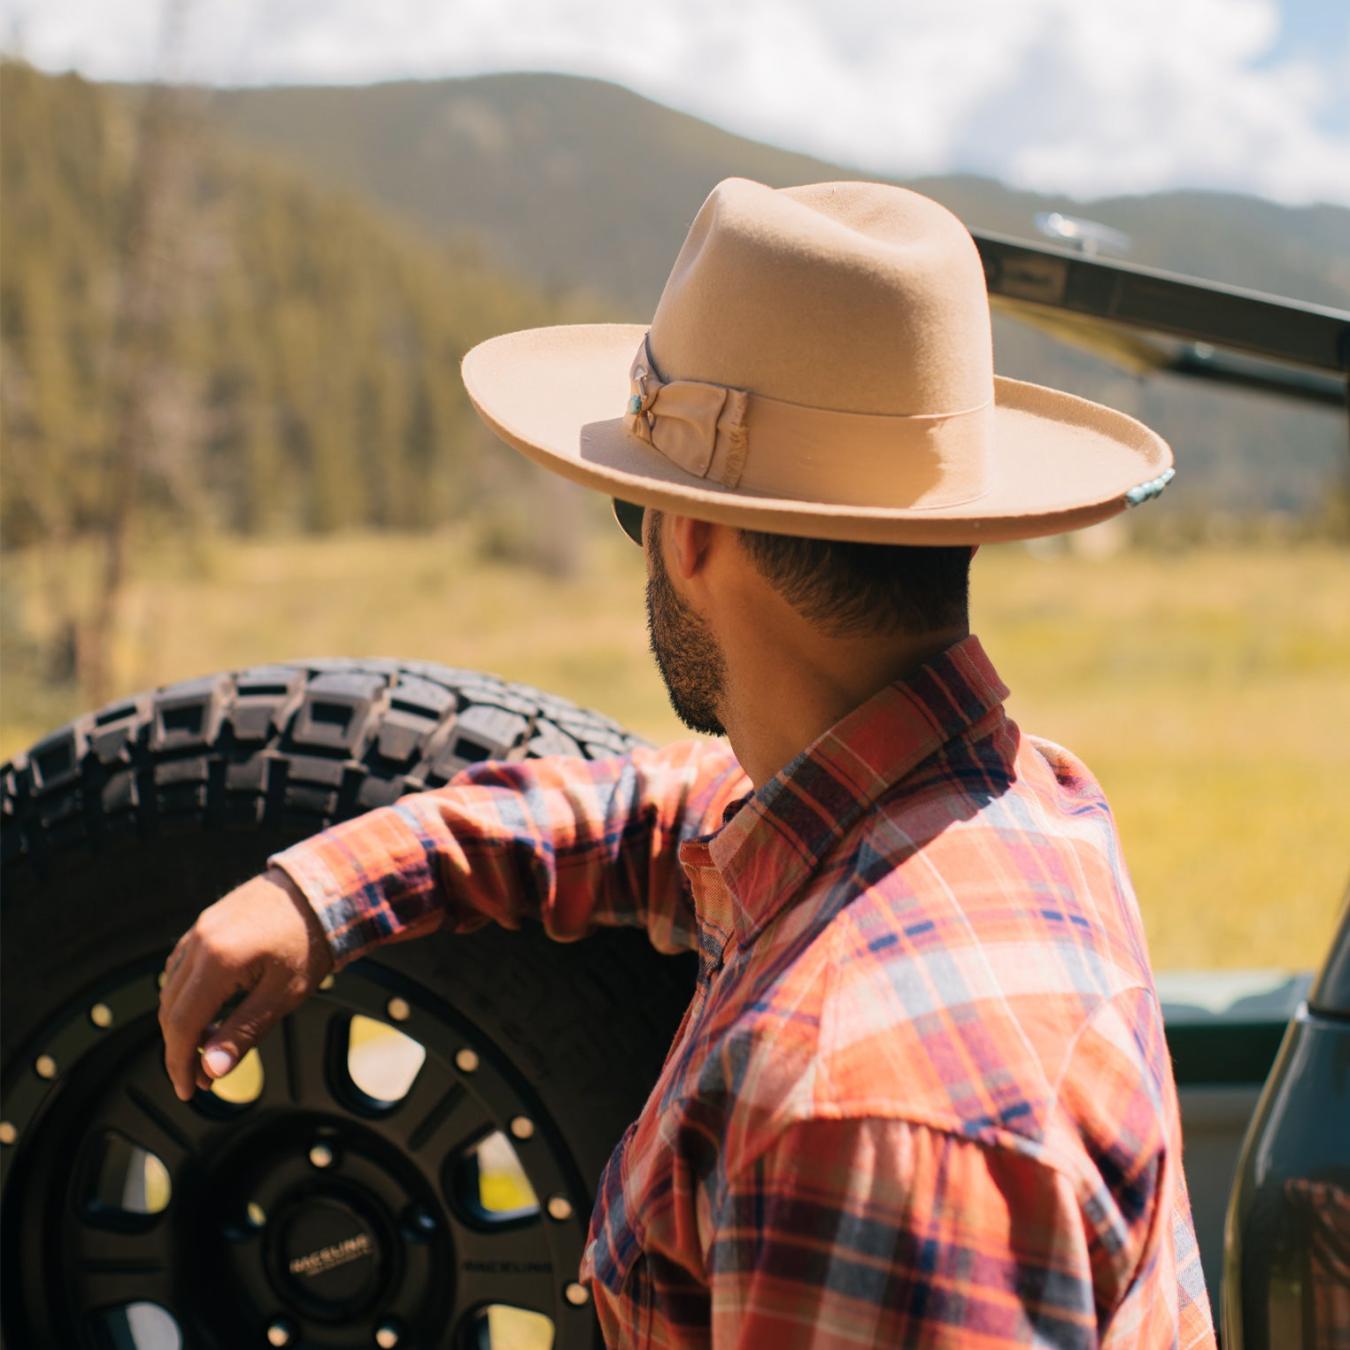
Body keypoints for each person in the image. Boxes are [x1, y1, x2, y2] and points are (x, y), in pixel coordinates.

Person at [158, 178, 1214, 1346]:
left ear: (692, 533)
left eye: (635, 510)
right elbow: (674, 817)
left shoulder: (850, 1115)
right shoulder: (1019, 797)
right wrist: (329, 889)